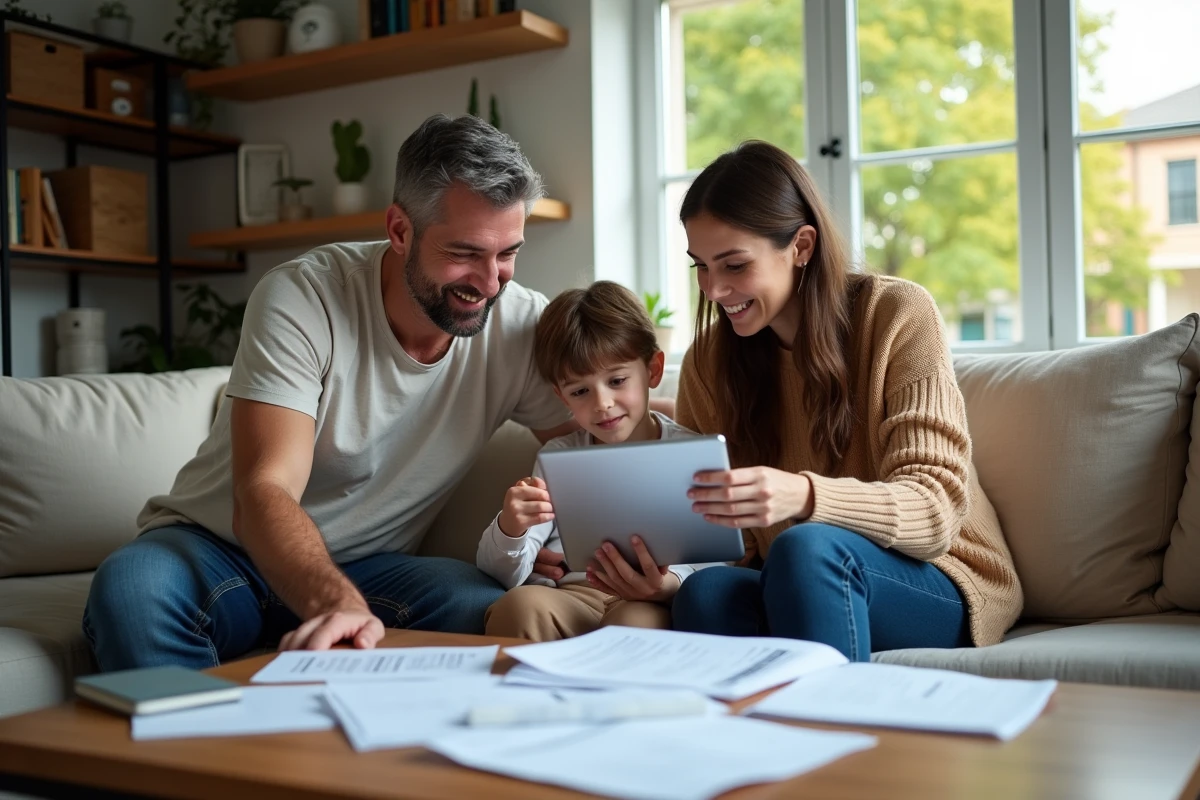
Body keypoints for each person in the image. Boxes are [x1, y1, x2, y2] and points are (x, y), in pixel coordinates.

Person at [82, 114, 582, 671]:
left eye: (508, 253)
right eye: (464, 253)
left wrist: (570, 545)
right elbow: (265, 491)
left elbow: (599, 433)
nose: (490, 283)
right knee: (131, 595)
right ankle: (202, 748)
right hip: (222, 552)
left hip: (374, 569)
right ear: (399, 230)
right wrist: (334, 603)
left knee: (486, 607)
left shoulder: (518, 324)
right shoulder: (304, 296)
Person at [669, 140, 1023, 661]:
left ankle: (840, 736)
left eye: (735, 265)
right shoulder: (708, 362)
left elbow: (935, 511)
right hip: (799, 577)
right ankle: (745, 741)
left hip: (942, 576)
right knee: (707, 594)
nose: (714, 289)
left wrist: (805, 497)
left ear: (802, 246)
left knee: (806, 548)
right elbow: (737, 551)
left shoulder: (896, 315)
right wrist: (668, 575)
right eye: (700, 266)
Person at [479, 281, 700, 642]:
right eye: (580, 391)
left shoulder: (689, 450)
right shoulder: (557, 456)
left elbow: (716, 556)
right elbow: (503, 572)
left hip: (650, 601)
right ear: (561, 396)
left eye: (617, 380)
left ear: (653, 371)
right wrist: (510, 528)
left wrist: (668, 584)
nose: (602, 403)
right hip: (572, 595)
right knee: (517, 607)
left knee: (634, 628)